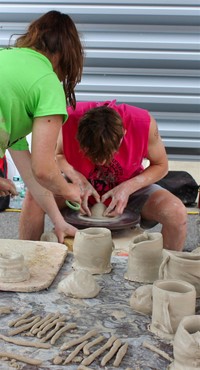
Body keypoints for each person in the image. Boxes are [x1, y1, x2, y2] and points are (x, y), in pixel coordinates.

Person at [19, 100, 187, 250]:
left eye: (106, 157)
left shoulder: (143, 123)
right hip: (79, 188)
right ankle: (30, 260)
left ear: (123, 136)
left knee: (176, 212)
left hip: (130, 188)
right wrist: (77, 177)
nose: (99, 164)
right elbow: (58, 155)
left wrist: (128, 187)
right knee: (34, 197)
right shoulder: (69, 118)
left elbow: (161, 165)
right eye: (92, 157)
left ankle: (167, 275)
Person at [0, 10, 84, 241]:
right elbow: (44, 170)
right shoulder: (46, 82)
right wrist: (70, 191)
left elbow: (33, 177)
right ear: (66, 54)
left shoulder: (7, 62)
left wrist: (59, 222)